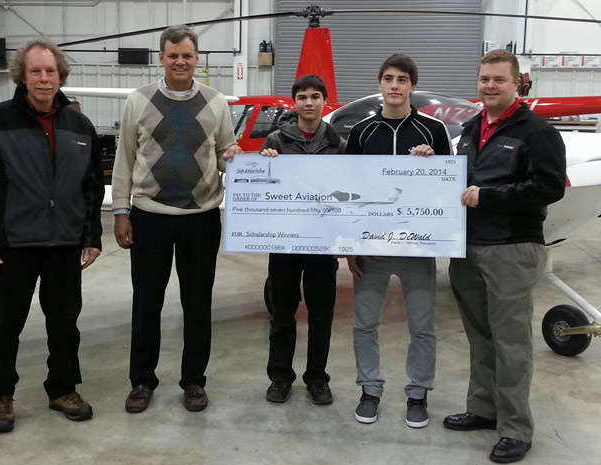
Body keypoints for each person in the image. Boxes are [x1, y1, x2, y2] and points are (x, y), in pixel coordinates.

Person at [0, 39, 104, 433]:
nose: (44, 78)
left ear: (61, 76)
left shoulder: (80, 126)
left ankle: (62, 389)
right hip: (12, 245)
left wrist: (91, 235)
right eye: (36, 71)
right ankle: (0, 394)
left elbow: (91, 189)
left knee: (64, 323)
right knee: (4, 324)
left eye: (50, 71)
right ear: (22, 76)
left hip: (64, 244)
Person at [444, 50, 566, 463]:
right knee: (481, 336)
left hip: (511, 249)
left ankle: (515, 428)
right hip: (468, 248)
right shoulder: (470, 129)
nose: (490, 86)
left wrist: (489, 197)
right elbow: (458, 181)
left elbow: (550, 187)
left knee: (512, 342)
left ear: (517, 83)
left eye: (499, 79)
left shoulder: (537, 131)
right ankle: (483, 408)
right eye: (484, 79)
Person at [112, 25, 242, 414]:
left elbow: (222, 153)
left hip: (200, 219)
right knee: (146, 303)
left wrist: (234, 158)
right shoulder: (138, 101)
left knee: (198, 304)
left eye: (187, 55)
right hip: (150, 216)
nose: (180, 61)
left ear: (197, 58)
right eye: (173, 55)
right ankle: (141, 381)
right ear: (162, 58)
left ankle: (193, 382)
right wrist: (121, 211)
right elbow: (125, 158)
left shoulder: (217, 102)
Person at [345, 54, 452, 428]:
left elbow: (446, 188)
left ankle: (418, 394)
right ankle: (370, 390)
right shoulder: (361, 133)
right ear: (380, 84)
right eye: (388, 78)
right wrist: (350, 247)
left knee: (422, 327)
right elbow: (349, 191)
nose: (394, 85)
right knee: (364, 325)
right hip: (372, 249)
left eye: (402, 79)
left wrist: (433, 161)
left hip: (418, 247)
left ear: (412, 87)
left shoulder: (432, 131)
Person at [260, 74, 346, 405]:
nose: (308, 103)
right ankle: (280, 376)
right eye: (302, 97)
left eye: (314, 97)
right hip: (285, 242)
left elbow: (350, 190)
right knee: (282, 313)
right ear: (294, 103)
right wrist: (264, 166)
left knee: (321, 314)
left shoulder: (339, 143)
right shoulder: (277, 140)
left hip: (323, 243)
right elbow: (264, 188)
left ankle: (317, 378)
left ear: (324, 102)